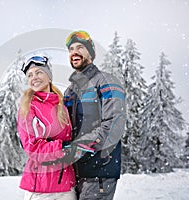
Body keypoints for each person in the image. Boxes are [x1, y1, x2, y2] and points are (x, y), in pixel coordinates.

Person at [63, 30, 126, 199]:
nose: (74, 52)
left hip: (99, 171)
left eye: (80, 47)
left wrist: (80, 148)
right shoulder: (70, 91)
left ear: (91, 53)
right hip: (74, 173)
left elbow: (114, 125)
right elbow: (62, 128)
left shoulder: (106, 82)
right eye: (71, 49)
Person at [17, 55, 77, 200]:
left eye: (39, 72)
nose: (34, 77)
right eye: (30, 75)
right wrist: (62, 147)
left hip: (66, 185)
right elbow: (32, 148)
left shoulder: (61, 105)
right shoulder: (28, 107)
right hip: (40, 188)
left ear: (49, 76)